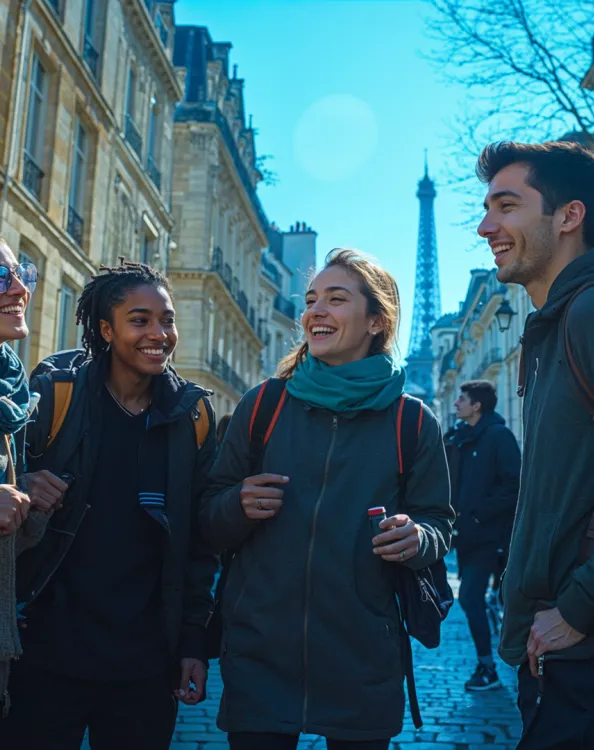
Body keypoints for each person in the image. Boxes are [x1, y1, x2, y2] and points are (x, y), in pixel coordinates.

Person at [200, 249, 454, 750]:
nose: (316, 310)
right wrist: (237, 503)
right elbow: (207, 516)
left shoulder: (413, 421)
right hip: (260, 654)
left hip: (362, 656)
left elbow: (439, 522)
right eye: (312, 299)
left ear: (376, 320)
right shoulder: (263, 405)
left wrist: (417, 537)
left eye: (336, 299)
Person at [0, 261, 218, 750]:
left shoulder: (193, 416)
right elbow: (8, 475)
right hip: (45, 655)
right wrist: (25, 481)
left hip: (144, 667)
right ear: (105, 328)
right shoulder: (54, 394)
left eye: (167, 320)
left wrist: (193, 644)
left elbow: (198, 547)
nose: (159, 333)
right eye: (140, 320)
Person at [477, 141, 594, 748]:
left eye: (507, 206)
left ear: (568, 216)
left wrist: (579, 606)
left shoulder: (586, 316)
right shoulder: (550, 333)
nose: (485, 225)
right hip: (553, 654)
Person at [450, 380, 520, 691]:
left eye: (462, 399)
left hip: (490, 536)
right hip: (467, 535)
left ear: (477, 405)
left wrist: (479, 514)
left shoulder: (498, 436)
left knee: (467, 597)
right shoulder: (461, 439)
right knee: (471, 597)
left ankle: (488, 667)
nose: (456, 404)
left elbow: (513, 485)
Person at [0, 238, 39, 716]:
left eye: (20, 272)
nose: (20, 288)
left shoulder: (12, 393)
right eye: (1, 276)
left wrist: (32, 502)